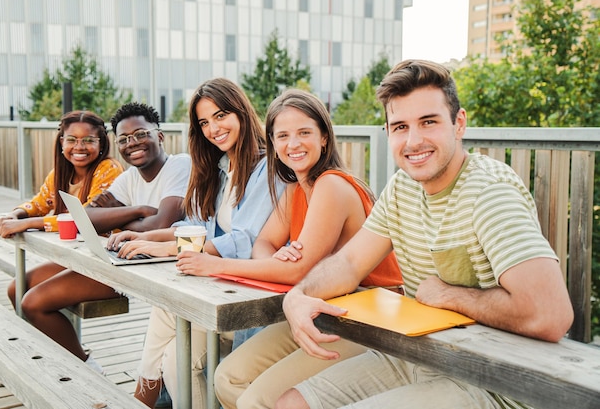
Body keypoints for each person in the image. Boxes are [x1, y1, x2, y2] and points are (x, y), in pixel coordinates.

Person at [277, 59, 574, 409]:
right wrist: (298, 295)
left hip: (494, 381)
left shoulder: (490, 193)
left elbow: (550, 314)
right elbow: (350, 262)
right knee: (291, 404)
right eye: (401, 126)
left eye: (428, 122)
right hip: (421, 356)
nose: (414, 140)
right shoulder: (404, 186)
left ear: (458, 123)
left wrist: (449, 295)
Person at [170, 88, 402, 409]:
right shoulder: (295, 189)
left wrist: (214, 265)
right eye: (282, 136)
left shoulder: (332, 185)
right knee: (228, 378)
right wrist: (277, 256)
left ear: (324, 138)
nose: (293, 144)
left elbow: (298, 271)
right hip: (320, 312)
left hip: (367, 323)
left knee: (255, 399)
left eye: (304, 133)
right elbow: (263, 245)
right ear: (274, 145)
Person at [108, 78, 281, 409]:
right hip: (219, 287)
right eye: (204, 122)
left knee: (165, 305)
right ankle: (143, 397)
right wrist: (146, 237)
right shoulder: (221, 168)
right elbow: (197, 228)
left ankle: (138, 400)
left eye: (220, 116)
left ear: (242, 113)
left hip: (250, 302)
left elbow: (244, 241)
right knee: (175, 359)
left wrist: (168, 248)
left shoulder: (267, 167)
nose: (213, 128)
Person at [6, 102, 191, 374]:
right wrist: (139, 212)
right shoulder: (129, 178)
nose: (133, 143)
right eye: (125, 138)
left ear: (160, 136)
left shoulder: (180, 165)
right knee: (17, 287)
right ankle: (61, 362)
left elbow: (162, 222)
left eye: (141, 134)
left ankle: (85, 368)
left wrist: (121, 217)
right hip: (116, 256)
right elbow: (86, 216)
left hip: (150, 268)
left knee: (33, 302)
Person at [0, 110, 123, 238]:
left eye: (88, 140)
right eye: (71, 139)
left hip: (109, 248)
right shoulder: (59, 174)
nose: (79, 147)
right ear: (62, 143)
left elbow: (85, 217)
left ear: (101, 144)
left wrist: (26, 223)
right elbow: (38, 204)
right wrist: (15, 215)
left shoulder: (109, 168)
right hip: (74, 248)